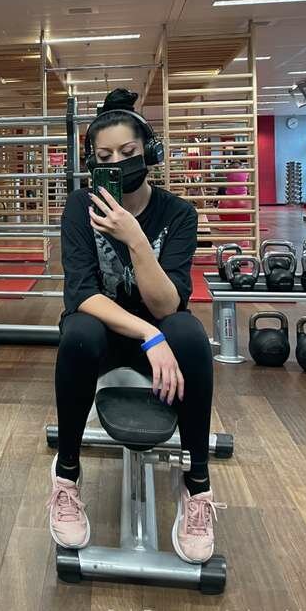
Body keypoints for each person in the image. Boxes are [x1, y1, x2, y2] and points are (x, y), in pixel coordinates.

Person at [46, 88, 227, 564]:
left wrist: (135, 239)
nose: (118, 164)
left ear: (150, 152)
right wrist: (149, 334)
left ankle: (197, 486)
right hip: (109, 336)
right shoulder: (80, 208)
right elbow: (83, 295)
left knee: (190, 335)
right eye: (105, 157)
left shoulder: (179, 214)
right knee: (78, 332)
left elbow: (168, 303)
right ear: (92, 163)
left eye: (127, 152)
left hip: (161, 333)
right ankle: (66, 476)